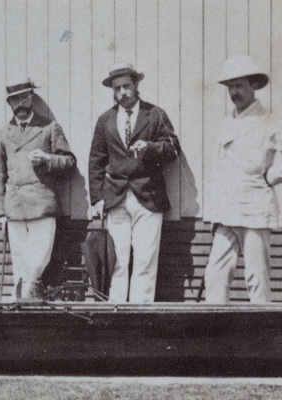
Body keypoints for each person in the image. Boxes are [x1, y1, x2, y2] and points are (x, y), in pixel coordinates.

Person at [204, 54, 282, 304]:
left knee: (257, 279)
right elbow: (218, 169)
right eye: (231, 86)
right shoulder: (227, 122)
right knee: (215, 275)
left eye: (240, 85)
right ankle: (214, 336)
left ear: (253, 85)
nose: (235, 91)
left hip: (254, 209)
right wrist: (213, 213)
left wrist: (272, 175)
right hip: (225, 212)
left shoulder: (269, 122)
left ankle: (262, 339)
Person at [88, 62, 180, 303]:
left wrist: (150, 149)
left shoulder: (155, 114)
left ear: (136, 85)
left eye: (126, 87)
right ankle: (115, 313)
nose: (122, 94)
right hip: (115, 198)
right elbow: (96, 160)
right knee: (117, 260)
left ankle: (140, 316)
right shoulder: (105, 120)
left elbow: (173, 149)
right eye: (117, 89)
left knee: (145, 261)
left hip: (148, 197)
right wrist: (97, 198)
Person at [0, 77, 76, 300]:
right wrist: (0, 212)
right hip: (14, 209)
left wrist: (48, 159)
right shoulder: (2, 134)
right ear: (9, 103)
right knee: (20, 265)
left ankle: (20, 301)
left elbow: (69, 162)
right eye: (13, 100)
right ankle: (22, 308)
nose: (19, 105)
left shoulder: (49, 128)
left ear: (31, 99)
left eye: (23, 98)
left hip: (41, 206)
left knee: (37, 263)